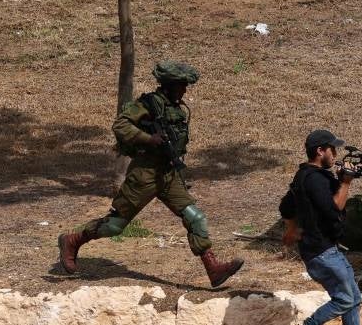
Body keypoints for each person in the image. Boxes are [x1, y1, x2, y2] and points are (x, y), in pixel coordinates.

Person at [57, 61, 244, 288]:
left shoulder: (175, 107)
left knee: (196, 218)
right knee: (114, 226)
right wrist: (149, 139)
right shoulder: (147, 104)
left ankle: (213, 268)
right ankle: (73, 239)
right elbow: (120, 125)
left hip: (168, 173)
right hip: (144, 174)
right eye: (181, 85)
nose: (184, 90)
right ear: (169, 85)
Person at [283, 129, 362, 325]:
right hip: (322, 251)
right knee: (346, 299)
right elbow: (334, 208)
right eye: (332, 149)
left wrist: (291, 229)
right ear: (320, 151)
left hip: (324, 248)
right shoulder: (316, 179)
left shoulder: (304, 176)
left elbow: (286, 206)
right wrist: (345, 182)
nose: (335, 154)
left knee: (354, 297)